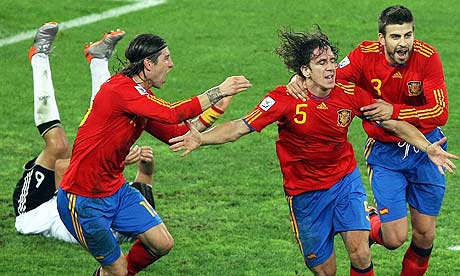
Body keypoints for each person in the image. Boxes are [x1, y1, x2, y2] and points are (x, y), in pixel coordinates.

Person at [168, 28, 458, 276]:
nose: (331, 67)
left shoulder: (349, 94)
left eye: (332, 60)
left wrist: (427, 147)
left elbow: (392, 124)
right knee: (325, 270)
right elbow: (241, 126)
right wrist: (201, 139)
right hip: (305, 194)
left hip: (345, 183)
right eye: (322, 63)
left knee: (360, 253)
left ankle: (361, 220)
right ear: (305, 71)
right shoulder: (283, 99)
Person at [55, 24, 252, 275]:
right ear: (148, 63)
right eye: (166, 58)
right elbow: (172, 114)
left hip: (115, 190)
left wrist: (218, 107)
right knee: (116, 271)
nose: (171, 64)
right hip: (82, 199)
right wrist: (217, 91)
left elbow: (176, 134)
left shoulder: (140, 99)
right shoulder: (120, 90)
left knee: (161, 243)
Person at [287, 6, 450, 275]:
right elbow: (330, 75)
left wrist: (394, 110)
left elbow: (439, 112)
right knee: (395, 239)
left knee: (424, 236)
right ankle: (371, 220)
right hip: (386, 152)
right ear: (381, 38)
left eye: (408, 35)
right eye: (396, 36)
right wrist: (300, 76)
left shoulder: (428, 57)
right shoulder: (364, 55)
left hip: (428, 148)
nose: (403, 43)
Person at [12, 22, 156, 244]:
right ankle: (98, 60)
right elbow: (144, 180)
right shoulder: (129, 222)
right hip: (72, 192)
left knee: (57, 146)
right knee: (104, 126)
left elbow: (63, 170)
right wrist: (143, 164)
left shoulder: (98, 225)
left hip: (36, 208)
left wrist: (115, 159)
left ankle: (39, 56)